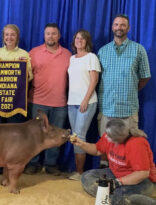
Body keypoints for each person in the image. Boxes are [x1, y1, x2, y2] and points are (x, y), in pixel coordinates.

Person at [97, 14, 151, 168]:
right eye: (116, 24)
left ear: (128, 28)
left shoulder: (138, 50)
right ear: (112, 27)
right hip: (107, 106)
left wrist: (132, 89)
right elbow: (97, 78)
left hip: (128, 108)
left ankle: (125, 176)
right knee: (104, 143)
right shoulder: (103, 51)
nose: (119, 27)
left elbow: (145, 77)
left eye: (122, 25)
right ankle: (103, 173)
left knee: (130, 146)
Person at [71, 119, 156, 205]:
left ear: (117, 138)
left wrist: (117, 182)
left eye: (109, 136)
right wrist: (82, 144)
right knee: (86, 177)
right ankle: (121, 197)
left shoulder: (137, 143)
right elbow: (97, 150)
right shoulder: (109, 135)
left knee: (116, 196)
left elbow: (142, 173)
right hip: (116, 174)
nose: (106, 137)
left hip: (142, 180)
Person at [24, 23, 71, 175]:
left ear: (59, 36)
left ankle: (51, 164)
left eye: (54, 33)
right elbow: (23, 75)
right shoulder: (34, 52)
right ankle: (33, 162)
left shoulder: (67, 54)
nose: (51, 36)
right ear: (44, 36)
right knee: (35, 135)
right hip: (37, 101)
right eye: (48, 33)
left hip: (60, 103)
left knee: (56, 135)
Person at [67, 30, 101, 180]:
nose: (79, 40)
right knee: (74, 136)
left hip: (86, 102)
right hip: (71, 103)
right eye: (77, 38)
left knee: (79, 136)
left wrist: (85, 99)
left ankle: (80, 173)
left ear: (87, 41)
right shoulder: (72, 58)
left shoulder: (91, 57)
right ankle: (78, 170)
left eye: (82, 38)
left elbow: (94, 80)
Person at [0, 24, 33, 124]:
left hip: (16, 100)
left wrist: (23, 67)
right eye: (7, 34)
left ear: (17, 37)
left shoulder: (24, 54)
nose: (9, 37)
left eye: (13, 35)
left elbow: (29, 78)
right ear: (3, 37)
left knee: (14, 132)